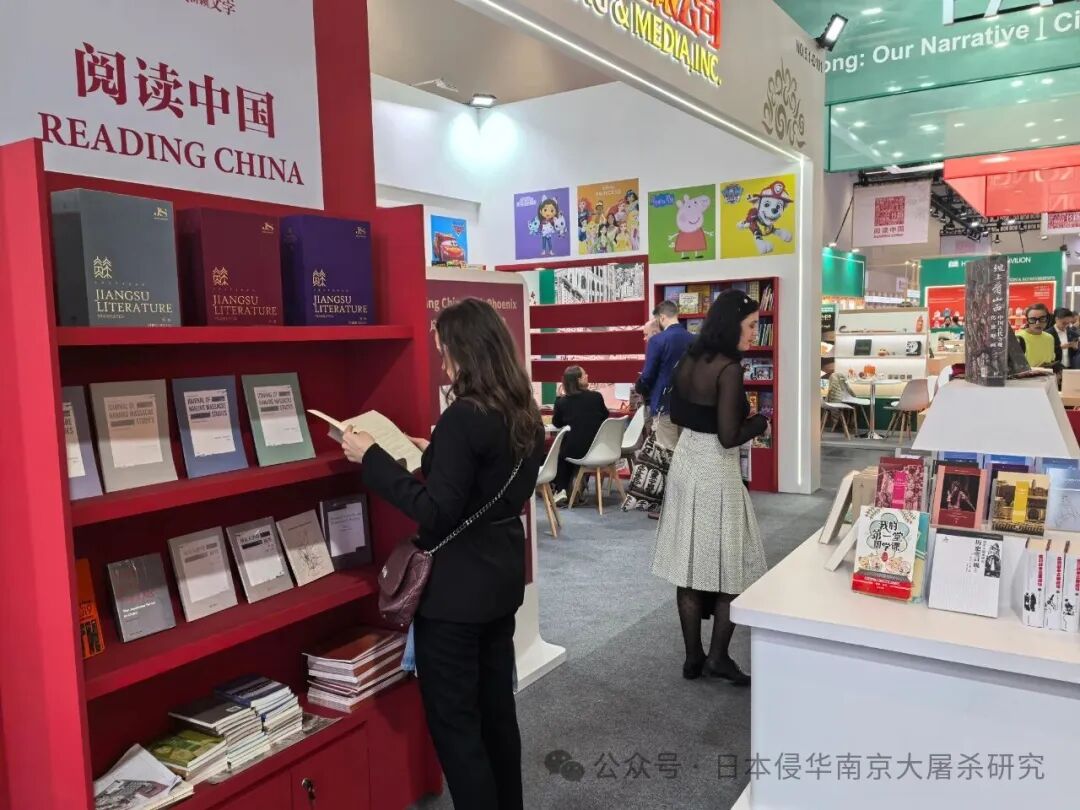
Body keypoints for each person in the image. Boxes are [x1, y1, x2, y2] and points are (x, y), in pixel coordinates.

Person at [340, 298, 544, 810]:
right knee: (497, 715)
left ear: (464, 350)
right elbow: (484, 481)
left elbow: (435, 511)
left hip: (455, 595)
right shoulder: (522, 412)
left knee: (456, 727)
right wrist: (432, 450)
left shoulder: (463, 417)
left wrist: (372, 458)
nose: (443, 363)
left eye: (445, 351)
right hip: (499, 581)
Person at [652, 289, 769, 685]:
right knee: (731, 564)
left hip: (686, 461)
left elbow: (678, 413)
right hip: (716, 469)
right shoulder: (729, 369)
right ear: (732, 324)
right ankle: (717, 657)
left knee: (689, 564)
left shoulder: (690, 357)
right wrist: (761, 421)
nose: (754, 333)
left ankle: (693, 657)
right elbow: (728, 435)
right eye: (751, 325)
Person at [631, 300, 694, 517]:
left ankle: (668, 506)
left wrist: (640, 387)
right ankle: (685, 503)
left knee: (666, 456)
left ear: (662, 317)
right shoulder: (693, 339)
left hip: (664, 405)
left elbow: (648, 375)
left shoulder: (658, 340)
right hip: (688, 406)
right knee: (684, 455)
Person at [551, 365, 609, 504]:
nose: (587, 375)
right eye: (584, 374)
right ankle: (577, 489)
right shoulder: (596, 397)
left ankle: (561, 489)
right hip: (597, 449)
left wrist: (557, 398)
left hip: (574, 451)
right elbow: (605, 416)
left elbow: (557, 423)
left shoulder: (562, 402)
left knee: (563, 452)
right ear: (579, 380)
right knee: (574, 446)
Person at [1016, 303, 1061, 370]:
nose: (1037, 323)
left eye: (1042, 319)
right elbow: (1015, 367)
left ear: (1047, 319)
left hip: (1047, 375)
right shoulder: (1019, 338)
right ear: (1027, 321)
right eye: (1032, 319)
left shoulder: (1049, 338)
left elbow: (1051, 360)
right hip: (1026, 376)